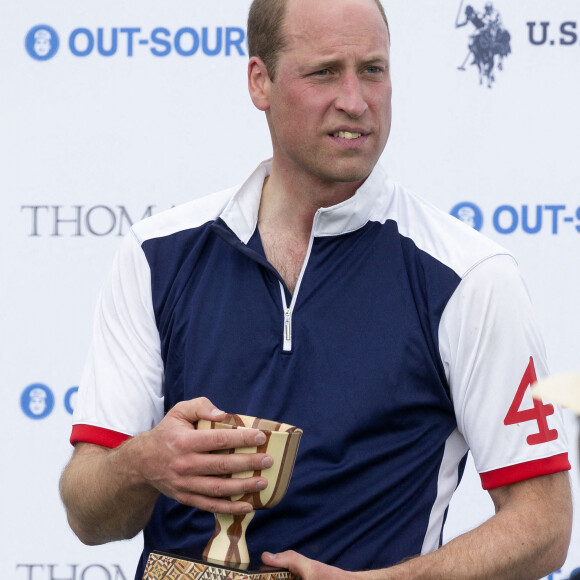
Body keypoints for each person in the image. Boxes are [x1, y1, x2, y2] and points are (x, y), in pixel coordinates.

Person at [59, 0, 573, 578]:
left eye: (373, 70)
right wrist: (141, 465)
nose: (355, 101)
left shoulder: (470, 277)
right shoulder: (157, 254)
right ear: (261, 82)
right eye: (325, 71)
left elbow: (544, 523)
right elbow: (87, 513)